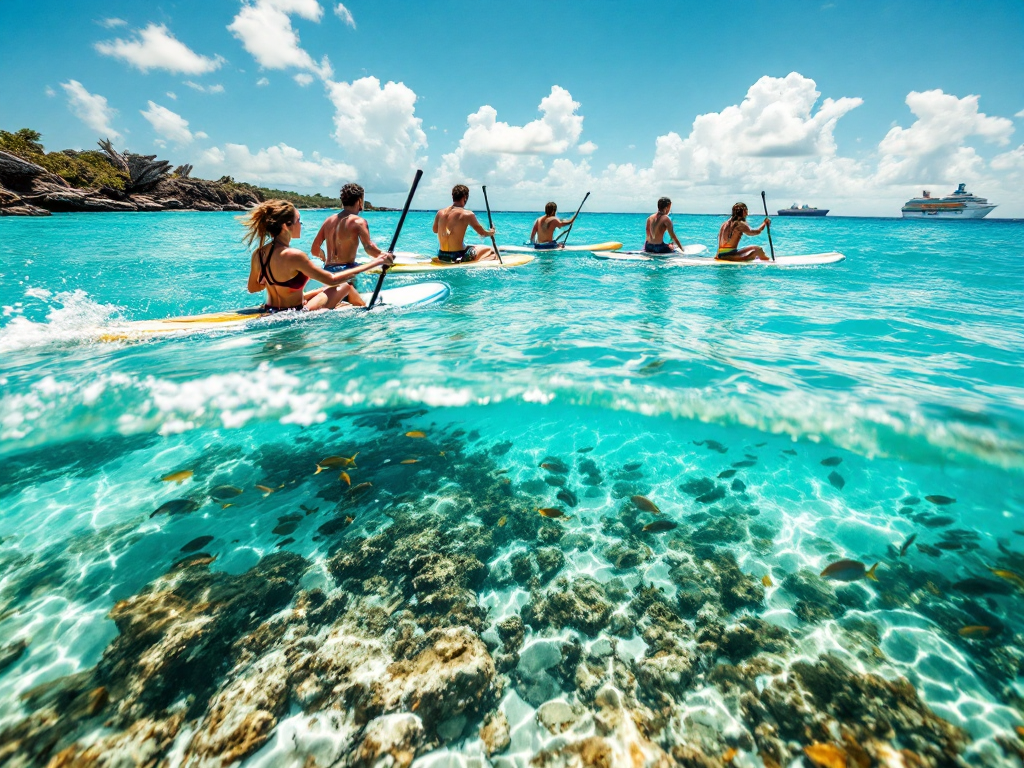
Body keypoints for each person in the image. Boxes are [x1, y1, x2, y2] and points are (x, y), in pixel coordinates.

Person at [242, 199, 392, 312]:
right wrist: (377, 262)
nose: (301, 225)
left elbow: (253, 288)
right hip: (295, 312)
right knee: (345, 286)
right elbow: (331, 279)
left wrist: (271, 278)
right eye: (298, 221)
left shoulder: (259, 254)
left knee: (325, 289)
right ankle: (366, 314)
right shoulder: (294, 255)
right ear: (285, 226)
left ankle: (349, 306)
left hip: (270, 309)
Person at [310, 183, 386, 283]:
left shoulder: (328, 221)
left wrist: (324, 258)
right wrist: (384, 256)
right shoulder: (358, 222)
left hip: (328, 270)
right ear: (359, 200)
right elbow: (369, 248)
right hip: (346, 271)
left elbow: (314, 249)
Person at [433, 185, 498, 263]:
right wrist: (491, 232)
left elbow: (435, 230)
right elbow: (482, 233)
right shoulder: (467, 214)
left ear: (453, 196)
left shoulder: (440, 213)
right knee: (489, 250)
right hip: (457, 256)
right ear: (465, 197)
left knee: (470, 246)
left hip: (441, 255)